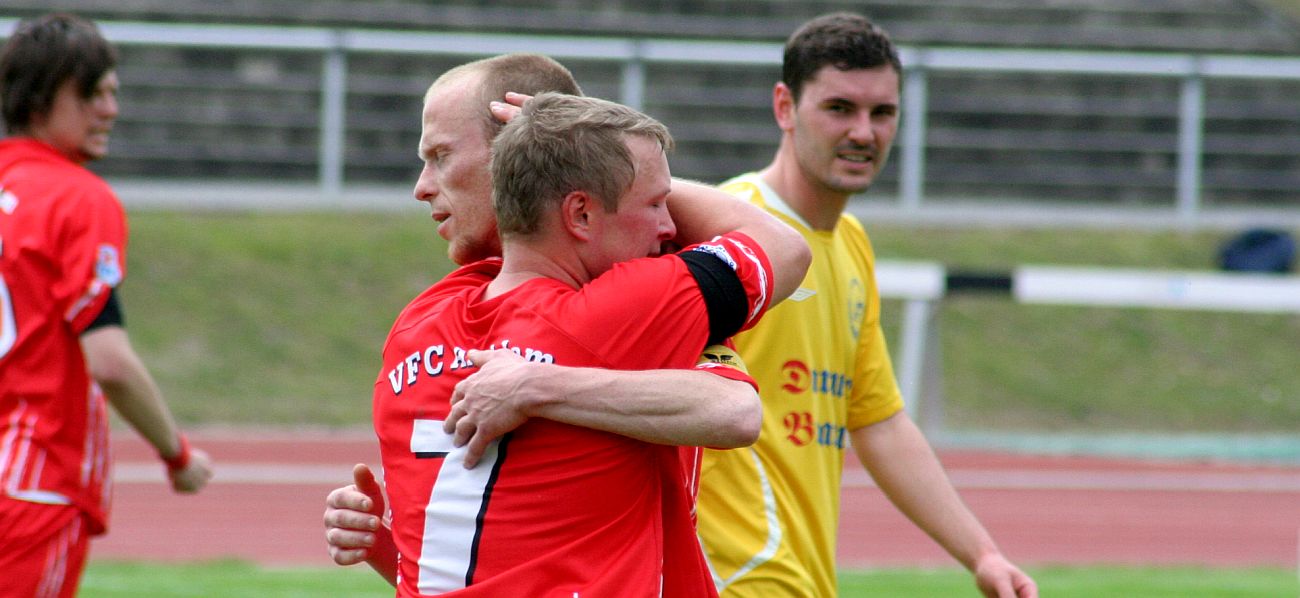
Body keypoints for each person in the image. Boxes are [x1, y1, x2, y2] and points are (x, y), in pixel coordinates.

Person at [324, 53, 803, 581]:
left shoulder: (418, 324)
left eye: (440, 156)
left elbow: (470, 569)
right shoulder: (636, 303)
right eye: (655, 204)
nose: (422, 185)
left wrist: (385, 549)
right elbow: (779, 264)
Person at [692, 12, 1038, 598]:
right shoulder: (728, 231)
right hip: (730, 577)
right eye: (839, 108)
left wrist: (981, 554)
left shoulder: (851, 245)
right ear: (784, 107)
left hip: (805, 579)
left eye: (883, 113)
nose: (863, 132)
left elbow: (877, 420)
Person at [0, 13, 214, 598]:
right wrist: (178, 454)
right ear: (43, 96)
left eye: (113, 93)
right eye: (93, 93)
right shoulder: (77, 198)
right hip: (33, 479)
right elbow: (109, 360)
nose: (110, 110)